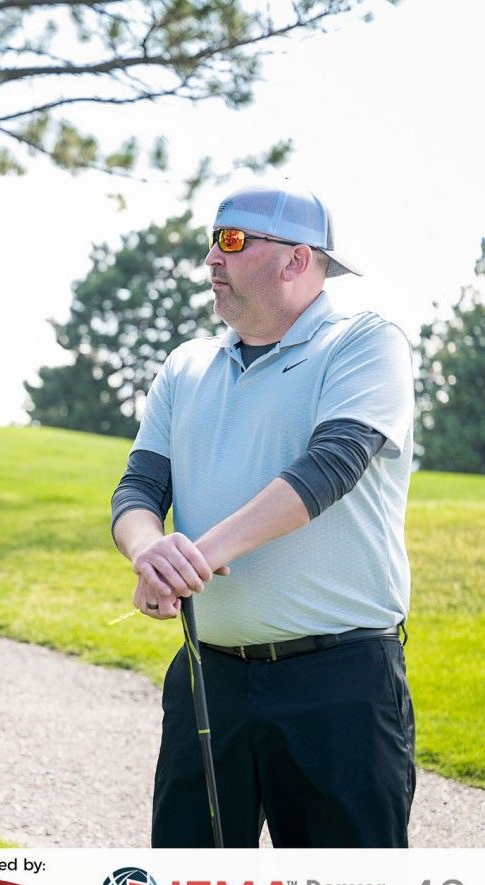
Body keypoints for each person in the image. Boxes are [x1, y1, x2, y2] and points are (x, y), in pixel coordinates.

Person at [110, 183, 415, 848]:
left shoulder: (364, 342)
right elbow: (137, 489)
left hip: (338, 686)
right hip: (206, 675)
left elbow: (327, 468)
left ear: (297, 260)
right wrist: (147, 553)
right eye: (212, 241)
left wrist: (194, 555)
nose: (212, 260)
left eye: (232, 241)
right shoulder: (185, 364)